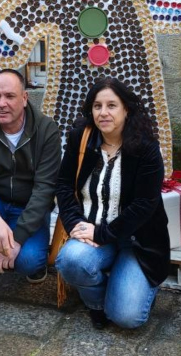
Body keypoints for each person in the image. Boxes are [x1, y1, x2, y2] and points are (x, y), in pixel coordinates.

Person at [55, 77, 168, 330]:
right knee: (71, 261)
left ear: (126, 109)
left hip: (136, 241)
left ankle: (129, 280)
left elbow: (144, 205)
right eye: (97, 106)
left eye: (111, 105)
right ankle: (96, 303)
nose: (103, 113)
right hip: (91, 233)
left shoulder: (146, 149)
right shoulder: (81, 139)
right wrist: (74, 223)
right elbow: (63, 184)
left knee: (128, 318)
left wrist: (105, 233)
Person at [0, 69, 60, 317]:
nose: (1, 103)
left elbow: (45, 188)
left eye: (9, 96)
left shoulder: (47, 130)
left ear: (25, 98)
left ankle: (31, 262)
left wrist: (17, 238)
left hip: (30, 207)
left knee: (28, 262)